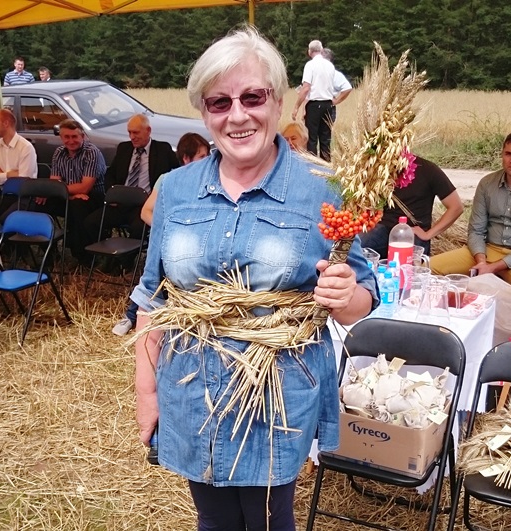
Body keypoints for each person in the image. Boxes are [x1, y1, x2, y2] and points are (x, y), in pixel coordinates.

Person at [131, 27, 376, 528]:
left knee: (268, 520)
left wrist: (346, 295)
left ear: (279, 101)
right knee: (213, 519)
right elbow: (153, 300)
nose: (237, 115)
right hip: (192, 387)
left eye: (252, 97)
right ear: (204, 112)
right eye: (219, 102)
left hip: (275, 395)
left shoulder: (323, 189)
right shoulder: (175, 189)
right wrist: (147, 393)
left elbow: (364, 297)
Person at [112, 132, 209, 336]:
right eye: (202, 156)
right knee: (157, 266)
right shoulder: (168, 180)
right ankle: (132, 316)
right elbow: (146, 212)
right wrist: (169, 230)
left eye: (207, 156)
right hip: (173, 240)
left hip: (202, 242)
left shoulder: (212, 181)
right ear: (186, 158)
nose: (207, 160)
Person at [431, 130, 511, 284]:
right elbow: (476, 230)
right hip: (486, 250)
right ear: (502, 154)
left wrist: (493, 267)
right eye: (508, 154)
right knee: (425, 268)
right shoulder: (487, 184)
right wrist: (481, 262)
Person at [83, 113, 179, 258]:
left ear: (148, 131)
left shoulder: (162, 150)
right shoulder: (124, 148)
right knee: (91, 222)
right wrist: (112, 194)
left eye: (136, 132)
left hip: (144, 206)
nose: (132, 137)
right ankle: (103, 257)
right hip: (120, 204)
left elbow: (176, 173)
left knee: (138, 228)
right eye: (129, 132)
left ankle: (124, 262)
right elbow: (110, 174)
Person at [360, 156, 464, 257]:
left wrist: (428, 234)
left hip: (413, 232)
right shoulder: (376, 168)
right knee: (356, 248)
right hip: (381, 228)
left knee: (409, 262)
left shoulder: (428, 169)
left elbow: (456, 207)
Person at [48, 119, 106, 263]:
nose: (71, 141)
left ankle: (83, 256)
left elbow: (85, 188)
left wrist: (63, 191)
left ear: (82, 136)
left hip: (94, 197)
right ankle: (49, 252)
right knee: (41, 203)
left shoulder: (91, 152)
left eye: (74, 136)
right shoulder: (59, 152)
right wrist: (69, 195)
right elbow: (54, 184)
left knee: (78, 205)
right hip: (68, 196)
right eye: (66, 137)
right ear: (61, 137)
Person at [290, 39, 336, 161]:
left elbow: (306, 88)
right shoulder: (330, 66)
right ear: (321, 50)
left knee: (312, 138)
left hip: (315, 105)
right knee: (325, 139)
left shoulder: (310, 65)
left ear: (309, 51)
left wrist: (296, 107)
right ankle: (326, 165)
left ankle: (313, 164)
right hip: (328, 104)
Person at [322, 48, 353, 125]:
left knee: (325, 131)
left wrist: (336, 101)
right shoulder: (314, 72)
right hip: (313, 105)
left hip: (327, 105)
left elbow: (347, 88)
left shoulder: (335, 74)